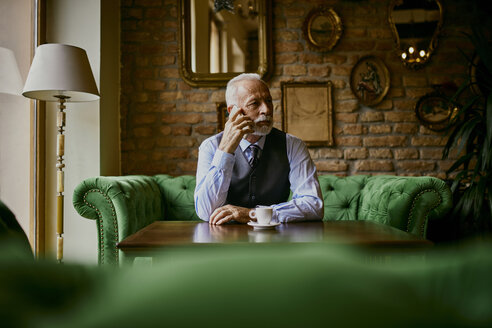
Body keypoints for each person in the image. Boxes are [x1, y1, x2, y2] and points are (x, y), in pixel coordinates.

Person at [194, 73, 324, 225]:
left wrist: (253, 214)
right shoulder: (210, 147)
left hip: (276, 238)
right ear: (233, 110)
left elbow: (314, 205)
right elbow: (205, 211)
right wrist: (225, 150)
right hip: (225, 239)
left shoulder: (293, 145)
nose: (267, 110)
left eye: (268, 101)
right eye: (255, 103)